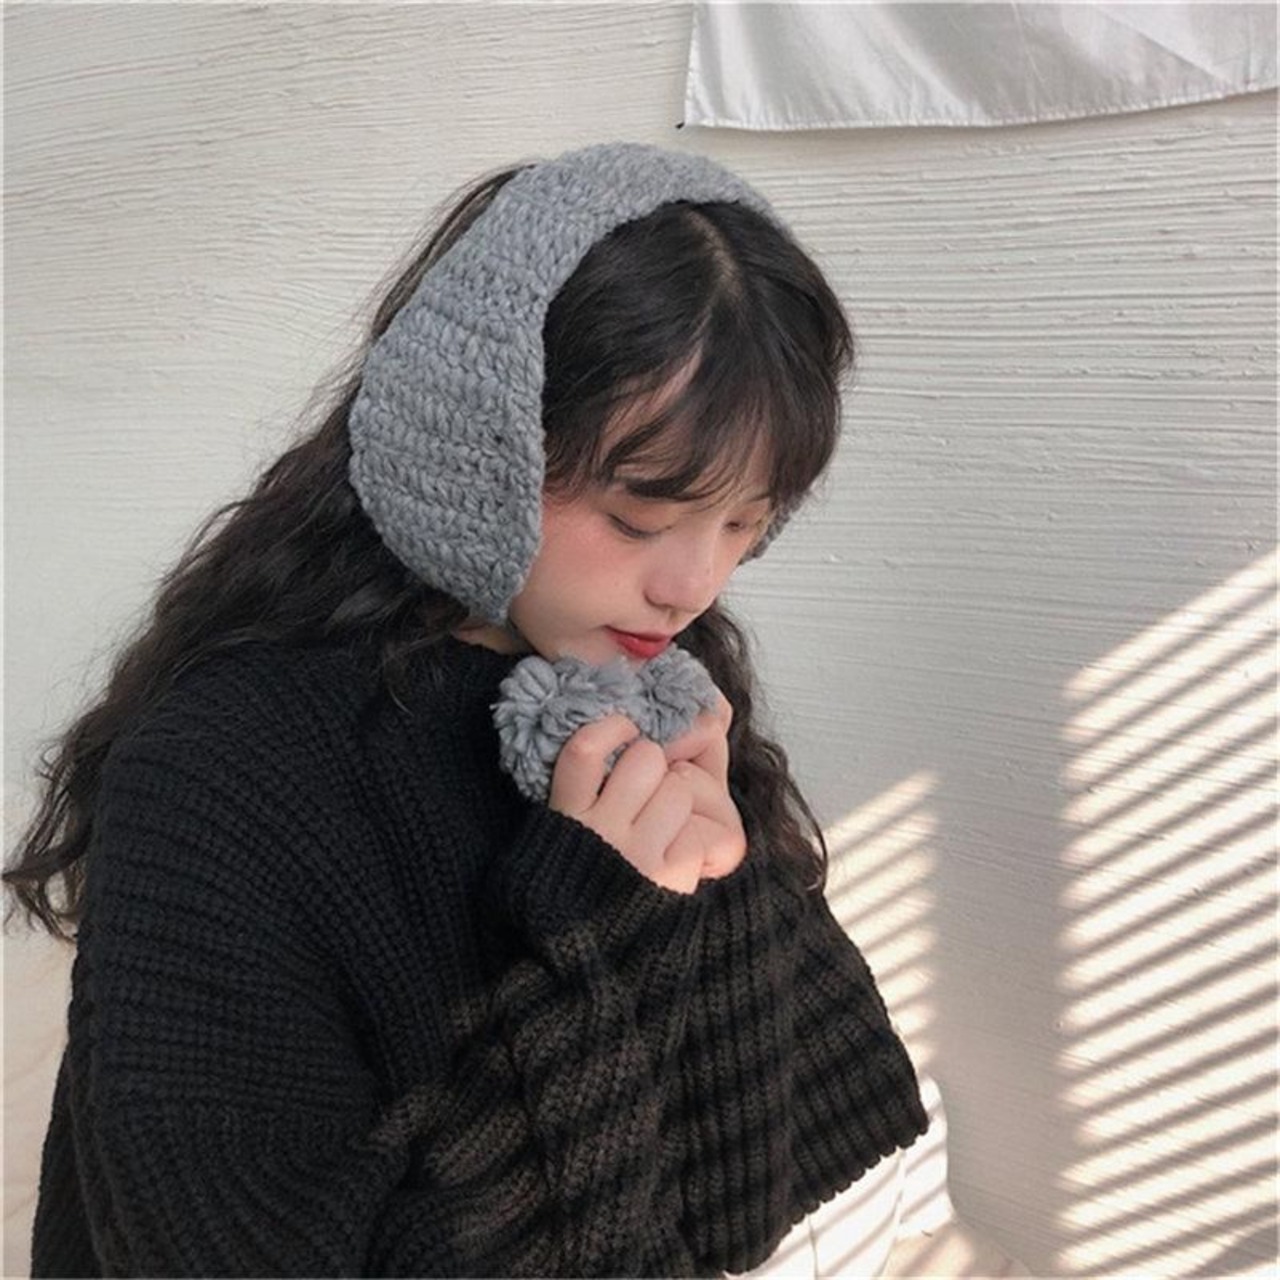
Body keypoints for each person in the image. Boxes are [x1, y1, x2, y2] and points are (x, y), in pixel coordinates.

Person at [5, 141, 928, 1277]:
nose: (693, 584)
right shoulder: (223, 768)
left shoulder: (635, 688)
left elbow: (749, 1190)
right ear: (473, 446)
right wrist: (585, 924)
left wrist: (711, 898)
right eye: (638, 518)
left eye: (745, 521)